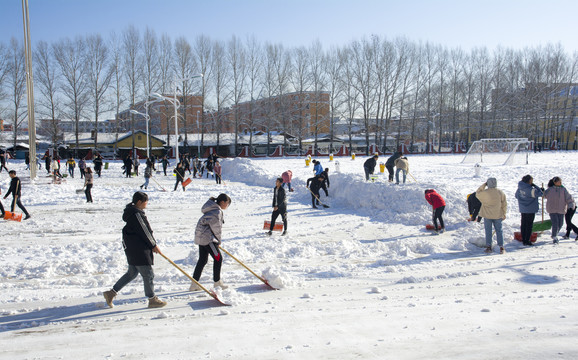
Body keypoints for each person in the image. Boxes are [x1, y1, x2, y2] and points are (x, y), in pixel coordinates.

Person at [102, 191, 166, 309]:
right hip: (139, 249)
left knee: (132, 273)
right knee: (148, 274)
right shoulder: (136, 214)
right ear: (139, 202)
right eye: (145, 202)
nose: (147, 204)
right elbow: (145, 231)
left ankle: (111, 293)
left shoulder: (133, 213)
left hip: (133, 248)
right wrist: (153, 245)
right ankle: (152, 299)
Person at [190, 194, 232, 291]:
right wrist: (218, 241)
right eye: (227, 204)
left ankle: (194, 284)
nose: (227, 206)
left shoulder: (211, 208)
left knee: (202, 260)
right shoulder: (217, 211)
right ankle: (217, 283)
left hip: (202, 238)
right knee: (218, 258)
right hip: (208, 239)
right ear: (223, 202)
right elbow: (216, 228)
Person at [476, 178, 507, 254]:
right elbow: (504, 203)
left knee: (488, 231)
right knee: (499, 231)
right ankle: (501, 247)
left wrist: (484, 185)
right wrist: (504, 213)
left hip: (487, 215)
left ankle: (489, 247)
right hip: (498, 215)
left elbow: (477, 193)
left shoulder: (485, 193)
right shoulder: (500, 192)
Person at [544, 176, 575, 244]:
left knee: (560, 223)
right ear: (555, 182)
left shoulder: (563, 189)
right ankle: (554, 237)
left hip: (561, 209)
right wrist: (542, 191)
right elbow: (544, 195)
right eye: (559, 181)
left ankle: (554, 234)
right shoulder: (550, 189)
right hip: (552, 209)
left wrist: (571, 205)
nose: (560, 183)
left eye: (561, 181)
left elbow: (569, 198)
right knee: (555, 223)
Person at [514, 175, 543, 246]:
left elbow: (516, 196)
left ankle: (523, 239)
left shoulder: (520, 188)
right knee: (529, 225)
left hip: (523, 209)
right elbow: (540, 193)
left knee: (523, 224)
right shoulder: (531, 189)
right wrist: (536, 186)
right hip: (530, 209)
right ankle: (527, 240)